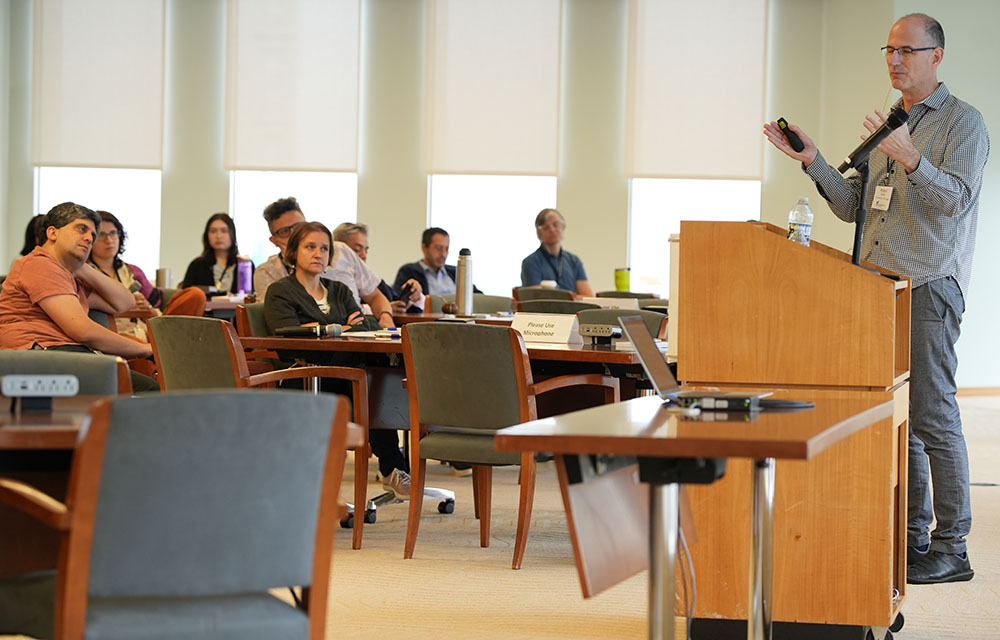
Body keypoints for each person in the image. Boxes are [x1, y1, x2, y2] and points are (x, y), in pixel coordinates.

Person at [763, 13, 989, 585]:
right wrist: (813, 159)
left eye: (907, 50)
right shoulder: (889, 122)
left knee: (934, 416)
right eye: (888, 49)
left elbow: (955, 202)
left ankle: (953, 545)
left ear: (937, 55)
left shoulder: (965, 123)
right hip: (876, 291)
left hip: (930, 286)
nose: (894, 60)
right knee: (901, 419)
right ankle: (913, 537)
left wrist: (911, 156)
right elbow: (853, 206)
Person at [263, 222, 411, 498]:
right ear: (293, 252)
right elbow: (288, 337)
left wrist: (326, 329)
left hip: (347, 373)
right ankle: (393, 466)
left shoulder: (340, 290)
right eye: (310, 247)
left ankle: (393, 467)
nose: (318, 253)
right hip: (305, 378)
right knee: (369, 381)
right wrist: (340, 328)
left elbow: (364, 326)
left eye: (324, 248)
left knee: (376, 377)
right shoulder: (280, 291)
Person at [0, 202, 158, 392]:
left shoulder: (68, 275)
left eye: (92, 234)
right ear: (52, 233)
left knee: (148, 387)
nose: (89, 238)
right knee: (148, 389)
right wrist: (145, 349)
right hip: (38, 356)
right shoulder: (39, 265)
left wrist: (83, 269)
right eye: (81, 229)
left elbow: (124, 303)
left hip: (61, 353)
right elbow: (83, 331)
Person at [253, 197, 396, 328]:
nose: (318, 254)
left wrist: (386, 318)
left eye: (299, 226)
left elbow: (365, 319)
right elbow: (288, 328)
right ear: (275, 240)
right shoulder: (273, 281)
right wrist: (343, 327)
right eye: (285, 231)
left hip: (356, 346)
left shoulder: (340, 284)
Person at [87, 210, 206, 342]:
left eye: (113, 233)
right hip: (117, 335)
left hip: (147, 331)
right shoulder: (84, 273)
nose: (109, 240)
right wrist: (127, 308)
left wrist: (147, 309)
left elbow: (156, 307)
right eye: (101, 235)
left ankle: (167, 341)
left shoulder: (133, 271)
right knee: (136, 343)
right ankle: (167, 347)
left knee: (195, 295)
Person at [333, 222, 424, 312]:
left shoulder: (372, 280)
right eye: (357, 250)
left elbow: (399, 302)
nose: (364, 255)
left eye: (366, 250)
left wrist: (414, 296)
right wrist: (383, 309)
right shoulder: (330, 280)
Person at [520, 208, 594, 296]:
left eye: (555, 225)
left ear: (563, 227)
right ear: (539, 233)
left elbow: (588, 296)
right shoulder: (531, 262)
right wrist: (572, 297)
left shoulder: (574, 261)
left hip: (573, 309)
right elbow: (535, 298)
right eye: (546, 227)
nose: (552, 230)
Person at [393, 227, 481, 296]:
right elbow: (397, 300)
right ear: (424, 248)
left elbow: (478, 297)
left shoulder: (455, 272)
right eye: (438, 248)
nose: (443, 254)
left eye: (446, 249)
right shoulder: (408, 271)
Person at [181, 213, 253, 294]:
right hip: (207, 307)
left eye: (224, 231)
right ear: (206, 235)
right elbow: (186, 293)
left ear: (232, 234)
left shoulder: (244, 265)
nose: (218, 236)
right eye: (213, 231)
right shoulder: (197, 265)